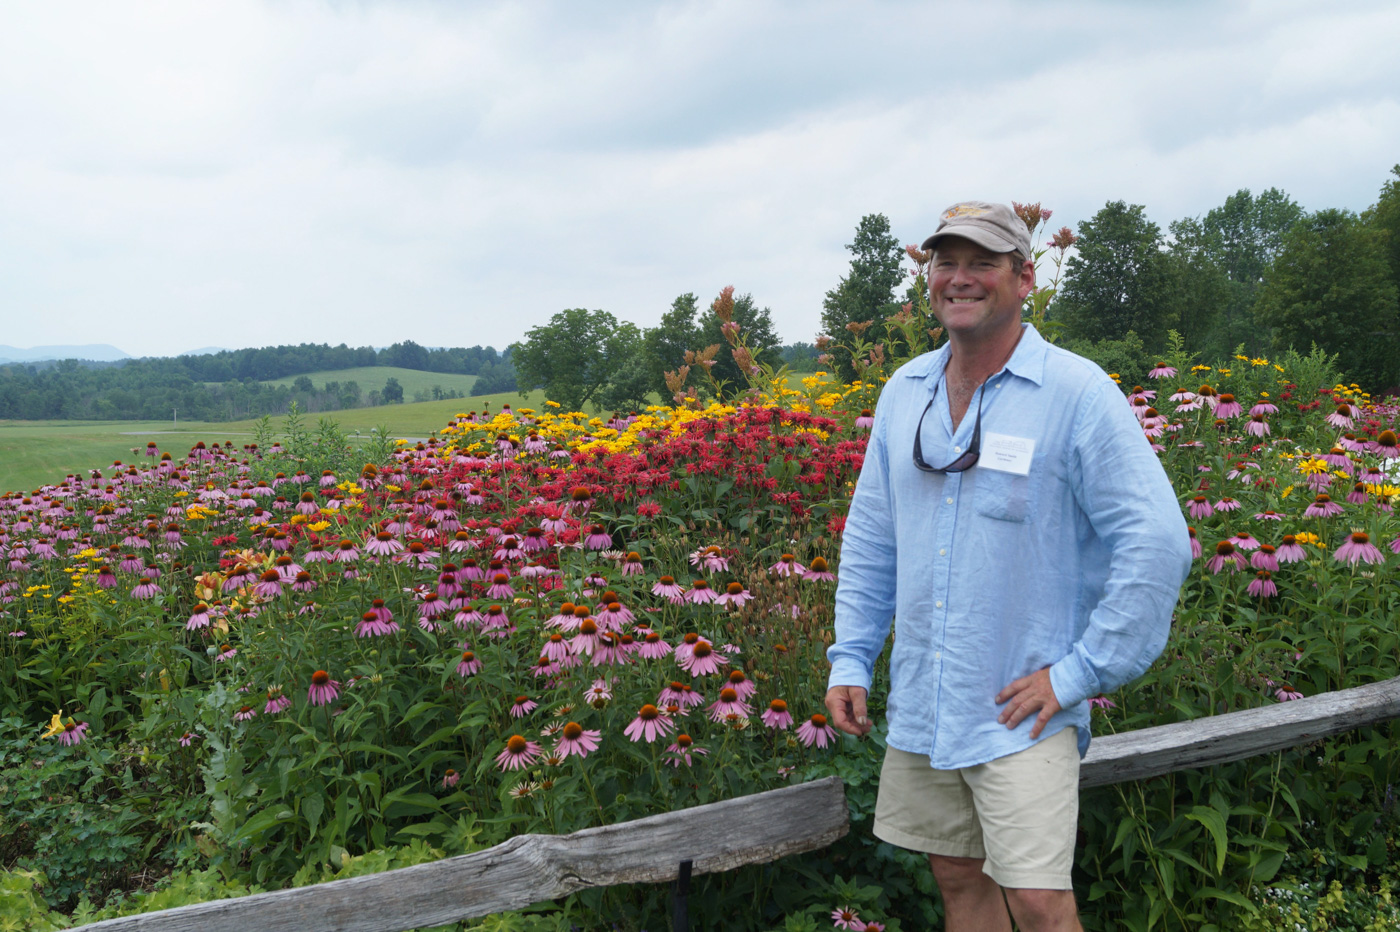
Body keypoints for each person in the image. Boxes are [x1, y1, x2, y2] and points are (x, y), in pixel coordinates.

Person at [824, 201, 1191, 931]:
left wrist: (1080, 673)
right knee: (960, 883)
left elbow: (1158, 542)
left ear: (1025, 278)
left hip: (1023, 708)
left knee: (1040, 901)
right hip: (929, 699)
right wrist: (852, 659)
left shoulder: (1077, 394)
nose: (958, 279)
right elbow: (873, 537)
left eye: (981, 263)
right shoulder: (907, 393)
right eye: (945, 262)